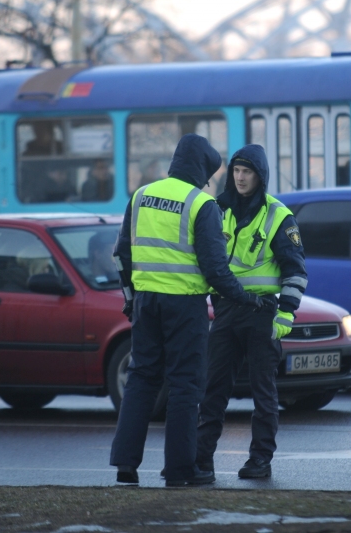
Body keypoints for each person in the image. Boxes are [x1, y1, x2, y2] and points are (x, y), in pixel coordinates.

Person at [110, 134, 272, 488]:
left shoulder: (141, 196)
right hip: (185, 306)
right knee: (186, 385)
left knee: (141, 379)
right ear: (200, 168)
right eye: (209, 174)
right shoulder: (201, 204)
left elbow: (122, 254)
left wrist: (130, 298)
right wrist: (246, 297)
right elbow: (216, 269)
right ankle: (182, 471)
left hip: (146, 303)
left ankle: (125, 465)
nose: (209, 181)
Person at [196, 144, 308, 481]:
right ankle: (202, 459)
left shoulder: (278, 215)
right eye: (236, 170)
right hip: (226, 309)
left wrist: (286, 313)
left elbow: (296, 270)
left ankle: (260, 460)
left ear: (260, 176)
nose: (241, 177)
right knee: (213, 389)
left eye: (247, 171)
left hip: (262, 312)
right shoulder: (217, 209)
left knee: (263, 391)